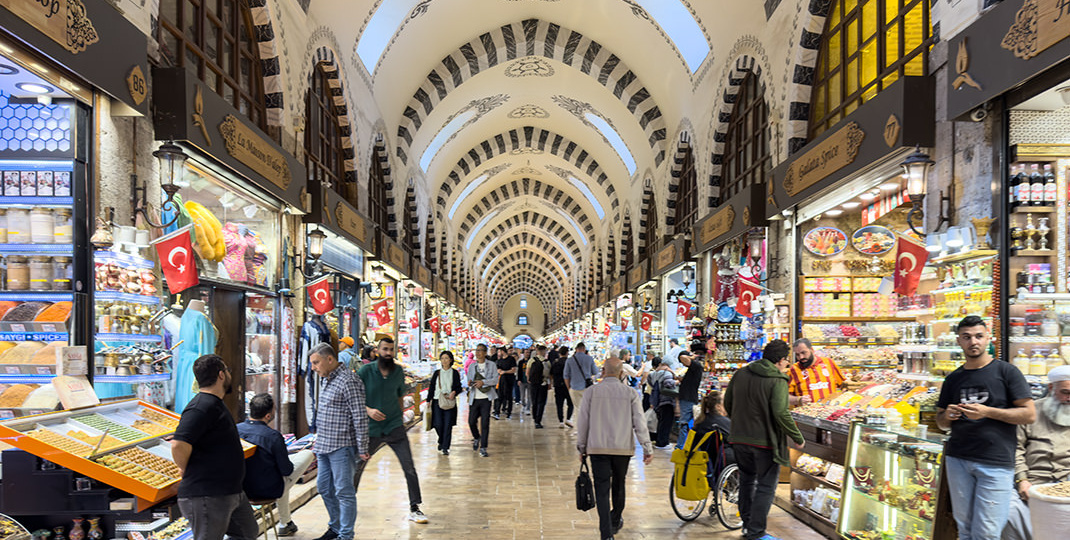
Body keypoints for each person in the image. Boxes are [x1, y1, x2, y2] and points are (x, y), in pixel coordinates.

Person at [937, 316, 1035, 540]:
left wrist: (988, 412)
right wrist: (947, 416)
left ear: (988, 338)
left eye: (979, 336)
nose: (973, 342)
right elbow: (941, 422)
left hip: (995, 462)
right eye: (967, 337)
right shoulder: (953, 379)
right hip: (958, 459)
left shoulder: (1007, 372)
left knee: (987, 532)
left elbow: (1029, 414)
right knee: (964, 529)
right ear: (959, 341)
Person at [725, 339, 805, 540]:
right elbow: (781, 412)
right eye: (787, 361)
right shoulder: (778, 380)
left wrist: (740, 421)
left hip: (739, 439)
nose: (787, 364)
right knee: (766, 486)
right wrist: (797, 436)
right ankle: (757, 532)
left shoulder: (741, 374)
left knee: (746, 481)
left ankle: (747, 526)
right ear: (780, 360)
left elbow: (728, 402)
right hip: (764, 442)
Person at [172, 355, 258, 540]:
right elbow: (178, 444)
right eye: (227, 370)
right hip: (207, 494)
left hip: (230, 490)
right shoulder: (200, 407)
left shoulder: (214, 404)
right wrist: (186, 468)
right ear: (221, 375)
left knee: (247, 532)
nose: (229, 374)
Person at [575, 358, 653, 540]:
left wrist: (581, 447)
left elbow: (583, 421)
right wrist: (647, 447)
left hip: (597, 448)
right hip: (622, 448)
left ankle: (606, 533)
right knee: (619, 483)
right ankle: (616, 519)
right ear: (621, 373)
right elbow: (639, 422)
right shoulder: (630, 393)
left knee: (601, 489)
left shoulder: (591, 392)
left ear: (603, 371)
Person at [355, 337, 428, 524]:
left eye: (391, 349)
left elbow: (400, 397)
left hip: (394, 427)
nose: (388, 353)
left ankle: (415, 507)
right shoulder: (366, 371)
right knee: (357, 465)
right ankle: (348, 502)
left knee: (409, 467)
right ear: (378, 351)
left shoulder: (398, 372)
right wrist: (368, 410)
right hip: (371, 429)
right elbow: (353, 396)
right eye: (385, 349)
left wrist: (400, 420)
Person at [308, 343, 369, 540]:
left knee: (344, 492)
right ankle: (335, 527)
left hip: (342, 445)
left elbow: (359, 415)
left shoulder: (349, 380)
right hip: (324, 445)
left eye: (316, 363)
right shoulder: (327, 379)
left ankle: (345, 535)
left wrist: (363, 447)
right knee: (324, 488)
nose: (313, 368)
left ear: (330, 359)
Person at [1003, 365, 1070, 540]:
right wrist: (1022, 480)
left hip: (1066, 481)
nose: (1069, 398)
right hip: (1031, 482)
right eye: (1065, 392)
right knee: (1008, 513)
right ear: (1051, 388)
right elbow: (1015, 449)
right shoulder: (1029, 413)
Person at [237, 393, 315, 536]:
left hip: (241, 488)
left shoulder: (236, 429)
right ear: (268, 415)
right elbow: (287, 470)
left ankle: (286, 523)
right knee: (307, 455)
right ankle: (285, 523)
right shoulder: (273, 436)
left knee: (281, 477)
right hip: (268, 490)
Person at [787, 338, 845, 406]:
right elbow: (785, 397)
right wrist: (798, 400)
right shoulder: (793, 370)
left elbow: (843, 385)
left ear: (812, 350)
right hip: (806, 411)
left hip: (830, 410)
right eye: (797, 354)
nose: (801, 357)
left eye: (803, 353)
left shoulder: (829, 362)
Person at [467, 343, 499, 456]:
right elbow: (469, 379)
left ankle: (483, 447)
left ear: (485, 353)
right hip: (474, 398)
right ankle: (476, 437)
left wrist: (483, 382)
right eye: (477, 350)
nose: (478, 353)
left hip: (486, 398)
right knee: (471, 421)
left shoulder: (491, 365)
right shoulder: (472, 366)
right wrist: (470, 383)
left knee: (485, 423)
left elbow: (495, 380)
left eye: (480, 350)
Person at [428, 351, 462, 455]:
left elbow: (459, 387)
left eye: (446, 358)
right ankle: (441, 440)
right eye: (442, 358)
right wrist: (428, 400)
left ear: (451, 360)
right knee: (438, 424)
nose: (444, 360)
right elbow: (432, 387)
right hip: (437, 401)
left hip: (449, 401)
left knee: (448, 424)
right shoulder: (437, 373)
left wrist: (454, 392)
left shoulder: (454, 373)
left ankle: (445, 447)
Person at [693, 389, 734, 469]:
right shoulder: (725, 422)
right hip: (723, 461)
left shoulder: (699, 422)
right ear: (718, 407)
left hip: (703, 460)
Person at [675, 345, 706, 449]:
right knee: (688, 422)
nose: (683, 363)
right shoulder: (693, 369)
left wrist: (691, 356)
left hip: (688, 398)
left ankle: (680, 446)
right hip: (689, 398)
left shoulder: (695, 366)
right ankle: (687, 445)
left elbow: (683, 357)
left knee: (684, 423)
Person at [647, 357, 676, 448]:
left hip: (657, 400)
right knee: (666, 422)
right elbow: (668, 383)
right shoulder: (667, 373)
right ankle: (662, 443)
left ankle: (659, 440)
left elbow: (650, 381)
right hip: (666, 400)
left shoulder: (654, 373)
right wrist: (677, 382)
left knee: (661, 421)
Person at [564, 342, 599, 414]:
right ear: (584, 349)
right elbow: (595, 372)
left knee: (577, 408)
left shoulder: (569, 360)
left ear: (576, 349)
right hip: (586, 387)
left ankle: (578, 421)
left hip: (574, 388)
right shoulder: (589, 358)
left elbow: (566, 376)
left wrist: (569, 388)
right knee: (587, 408)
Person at [528, 344, 552, 428]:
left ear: (537, 352)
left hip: (533, 384)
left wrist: (530, 380)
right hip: (543, 383)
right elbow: (549, 375)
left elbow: (527, 372)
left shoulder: (531, 360)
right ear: (544, 352)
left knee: (534, 401)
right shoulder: (547, 362)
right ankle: (538, 421)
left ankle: (535, 418)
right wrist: (550, 384)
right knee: (541, 402)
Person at [551, 345, 574, 427]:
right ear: (567, 353)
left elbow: (551, 374)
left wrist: (552, 382)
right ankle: (568, 419)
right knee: (570, 403)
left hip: (558, 385)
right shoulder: (570, 362)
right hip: (568, 385)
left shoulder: (555, 362)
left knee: (559, 404)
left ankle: (561, 421)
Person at [493, 347, 518, 419]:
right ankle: (497, 412)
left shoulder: (511, 359)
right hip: (501, 380)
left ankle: (509, 412)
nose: (498, 353)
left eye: (499, 352)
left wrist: (505, 372)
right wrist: (499, 371)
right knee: (499, 396)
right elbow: (497, 369)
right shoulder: (499, 361)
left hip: (509, 380)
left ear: (502, 351)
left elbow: (513, 370)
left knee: (509, 397)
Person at [517, 349, 531, 416]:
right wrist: (519, 379)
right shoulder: (520, 362)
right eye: (526, 352)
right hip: (522, 381)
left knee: (529, 396)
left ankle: (528, 408)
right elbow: (519, 371)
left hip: (529, 381)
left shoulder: (531, 361)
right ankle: (523, 405)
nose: (527, 354)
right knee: (522, 396)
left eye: (528, 352)